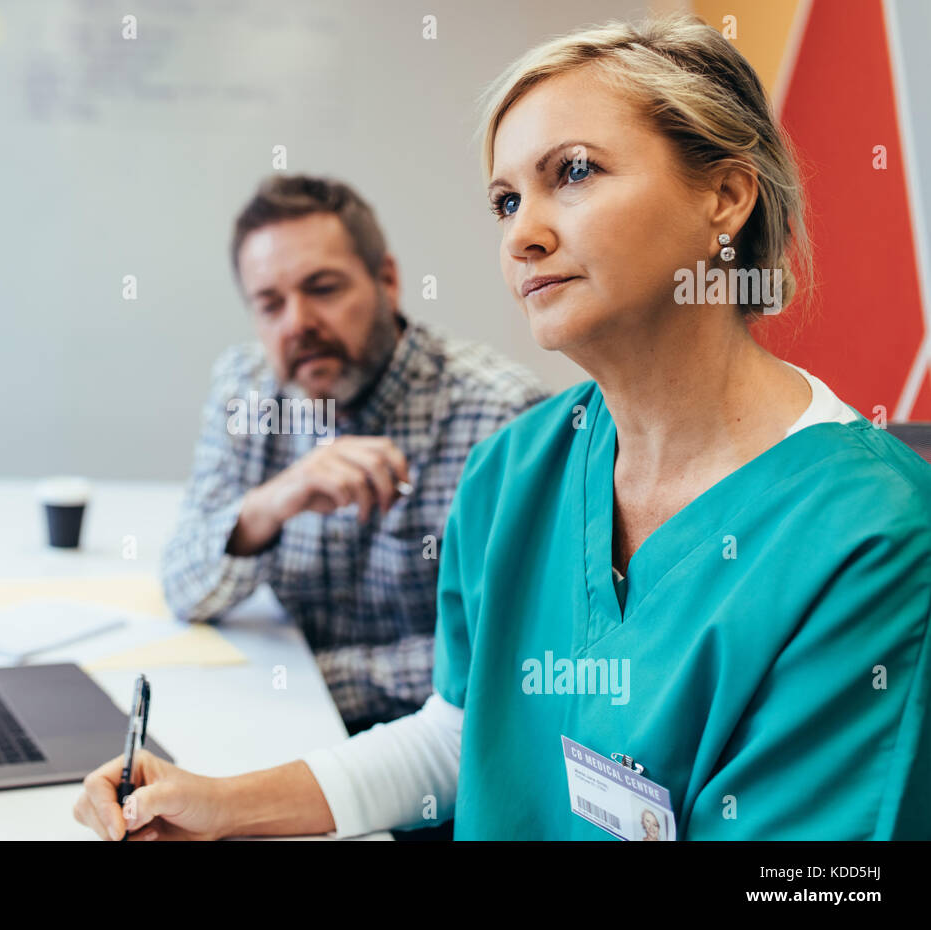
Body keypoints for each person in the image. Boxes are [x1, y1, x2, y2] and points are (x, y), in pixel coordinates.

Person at [75, 14, 931, 841]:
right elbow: (460, 735)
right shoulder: (515, 471)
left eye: (576, 172)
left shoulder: (870, 535)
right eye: (505, 200)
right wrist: (223, 804)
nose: (524, 234)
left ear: (726, 196)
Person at [160, 174, 547, 742]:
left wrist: (310, 679)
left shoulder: (501, 416)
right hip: (277, 724)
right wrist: (269, 506)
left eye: (323, 288)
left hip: (432, 756)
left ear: (387, 281)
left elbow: (511, 650)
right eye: (270, 304)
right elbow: (183, 586)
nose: (298, 324)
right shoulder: (246, 386)